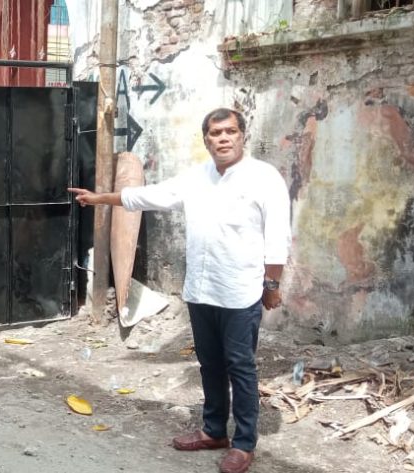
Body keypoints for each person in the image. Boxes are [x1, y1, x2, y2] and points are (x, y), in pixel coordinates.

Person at [67, 108, 291, 473]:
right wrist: (99, 199)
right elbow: (149, 196)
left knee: (240, 367)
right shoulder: (197, 177)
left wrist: (272, 285)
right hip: (201, 290)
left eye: (230, 131)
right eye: (215, 133)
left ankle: (244, 442)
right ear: (206, 140)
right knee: (209, 364)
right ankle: (214, 430)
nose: (223, 138)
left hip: (240, 292)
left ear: (242, 135)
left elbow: (278, 236)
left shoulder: (264, 178)